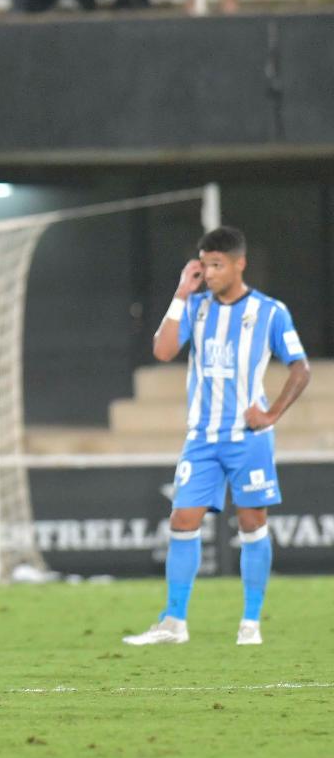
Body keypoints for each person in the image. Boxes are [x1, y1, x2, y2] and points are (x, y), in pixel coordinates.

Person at [123, 226, 309, 647]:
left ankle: (250, 623)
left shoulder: (269, 312)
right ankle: (174, 622)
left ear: (239, 264)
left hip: (248, 437)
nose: (208, 273)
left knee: (251, 523)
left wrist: (273, 413)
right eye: (204, 264)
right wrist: (180, 295)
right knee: (183, 519)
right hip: (202, 437)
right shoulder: (197, 307)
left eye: (216, 265)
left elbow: (301, 368)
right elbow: (163, 351)